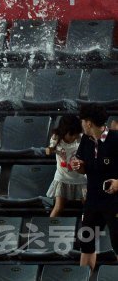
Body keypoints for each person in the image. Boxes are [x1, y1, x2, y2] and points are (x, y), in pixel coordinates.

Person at [71, 103, 118, 271]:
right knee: (86, 242)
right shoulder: (86, 140)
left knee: (117, 242)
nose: (81, 124)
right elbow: (83, 167)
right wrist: (78, 166)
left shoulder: (116, 139)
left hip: (114, 201)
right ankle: (83, 277)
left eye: (82, 121)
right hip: (93, 199)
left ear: (89, 123)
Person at [45, 113, 86, 217]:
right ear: (64, 131)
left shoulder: (81, 138)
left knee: (87, 205)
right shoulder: (56, 137)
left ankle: (88, 224)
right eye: (71, 134)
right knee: (58, 207)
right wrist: (49, 149)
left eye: (76, 134)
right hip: (62, 177)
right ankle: (49, 225)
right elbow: (49, 149)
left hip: (81, 177)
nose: (74, 137)